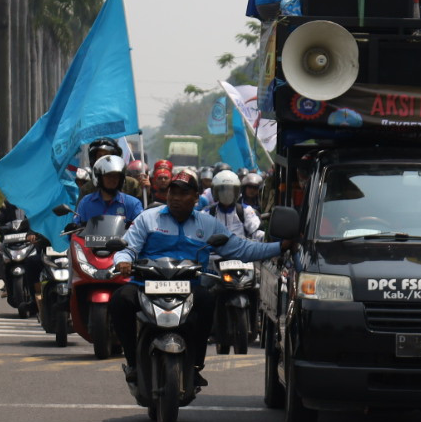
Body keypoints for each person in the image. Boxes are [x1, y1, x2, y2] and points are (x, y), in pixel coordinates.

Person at [110, 169, 292, 386]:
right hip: (147, 285)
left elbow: (242, 249)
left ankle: (195, 365)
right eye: (173, 193)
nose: (176, 198)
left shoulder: (207, 224)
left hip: (187, 288)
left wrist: (280, 247)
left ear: (196, 198)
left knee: (207, 300)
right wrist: (123, 261)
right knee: (120, 300)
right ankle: (132, 362)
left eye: (183, 194)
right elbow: (128, 248)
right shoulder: (148, 218)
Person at [74, 155, 145, 226]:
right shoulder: (86, 203)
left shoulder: (132, 204)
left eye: (116, 176)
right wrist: (73, 227)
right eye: (108, 175)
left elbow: (141, 228)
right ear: (100, 178)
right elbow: (76, 226)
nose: (112, 179)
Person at [208, 169, 261, 240]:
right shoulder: (208, 213)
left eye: (230, 190)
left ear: (236, 192)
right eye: (223, 190)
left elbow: (257, 232)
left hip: (240, 246)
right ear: (216, 192)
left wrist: (263, 237)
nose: (226, 194)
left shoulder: (245, 211)